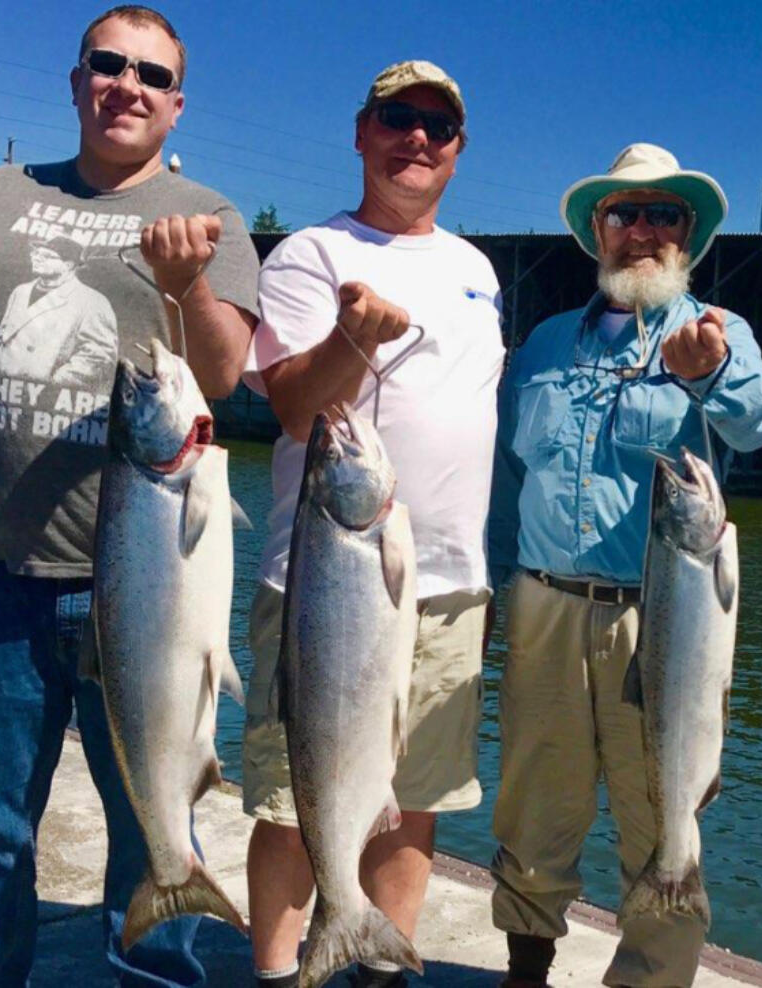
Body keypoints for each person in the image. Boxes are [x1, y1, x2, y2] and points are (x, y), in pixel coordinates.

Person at [0, 6, 259, 985]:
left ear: (177, 104)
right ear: (77, 79)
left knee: (154, 830)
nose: (126, 85)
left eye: (150, 74)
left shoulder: (208, 217)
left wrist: (185, 289)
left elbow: (219, 376)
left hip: (144, 598)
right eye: (108, 63)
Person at [487, 143, 762, 988]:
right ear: (597, 232)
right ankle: (525, 967)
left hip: (665, 615)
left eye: (665, 215)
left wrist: (714, 375)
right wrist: (494, 590)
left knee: (662, 811)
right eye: (625, 213)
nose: (643, 230)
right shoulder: (543, 344)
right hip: (543, 605)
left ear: (688, 235)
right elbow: (508, 487)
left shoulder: (719, 333)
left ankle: (653, 976)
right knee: (534, 807)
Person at [240, 60, 504, 988]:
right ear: (362, 132)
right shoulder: (310, 255)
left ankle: (376, 962)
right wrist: (351, 339)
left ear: (458, 151)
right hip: (324, 581)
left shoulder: (476, 270)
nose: (417, 138)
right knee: (290, 800)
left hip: (448, 588)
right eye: (398, 118)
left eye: (438, 124)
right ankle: (277, 973)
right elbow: (297, 414)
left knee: (414, 800)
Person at [0, 235, 118, 388]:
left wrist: (54, 382)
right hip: (1, 390)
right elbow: (2, 336)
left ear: (69, 265)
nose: (37, 258)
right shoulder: (21, 291)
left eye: (47, 256)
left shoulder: (92, 301)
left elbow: (99, 356)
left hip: (46, 397)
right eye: (36, 253)